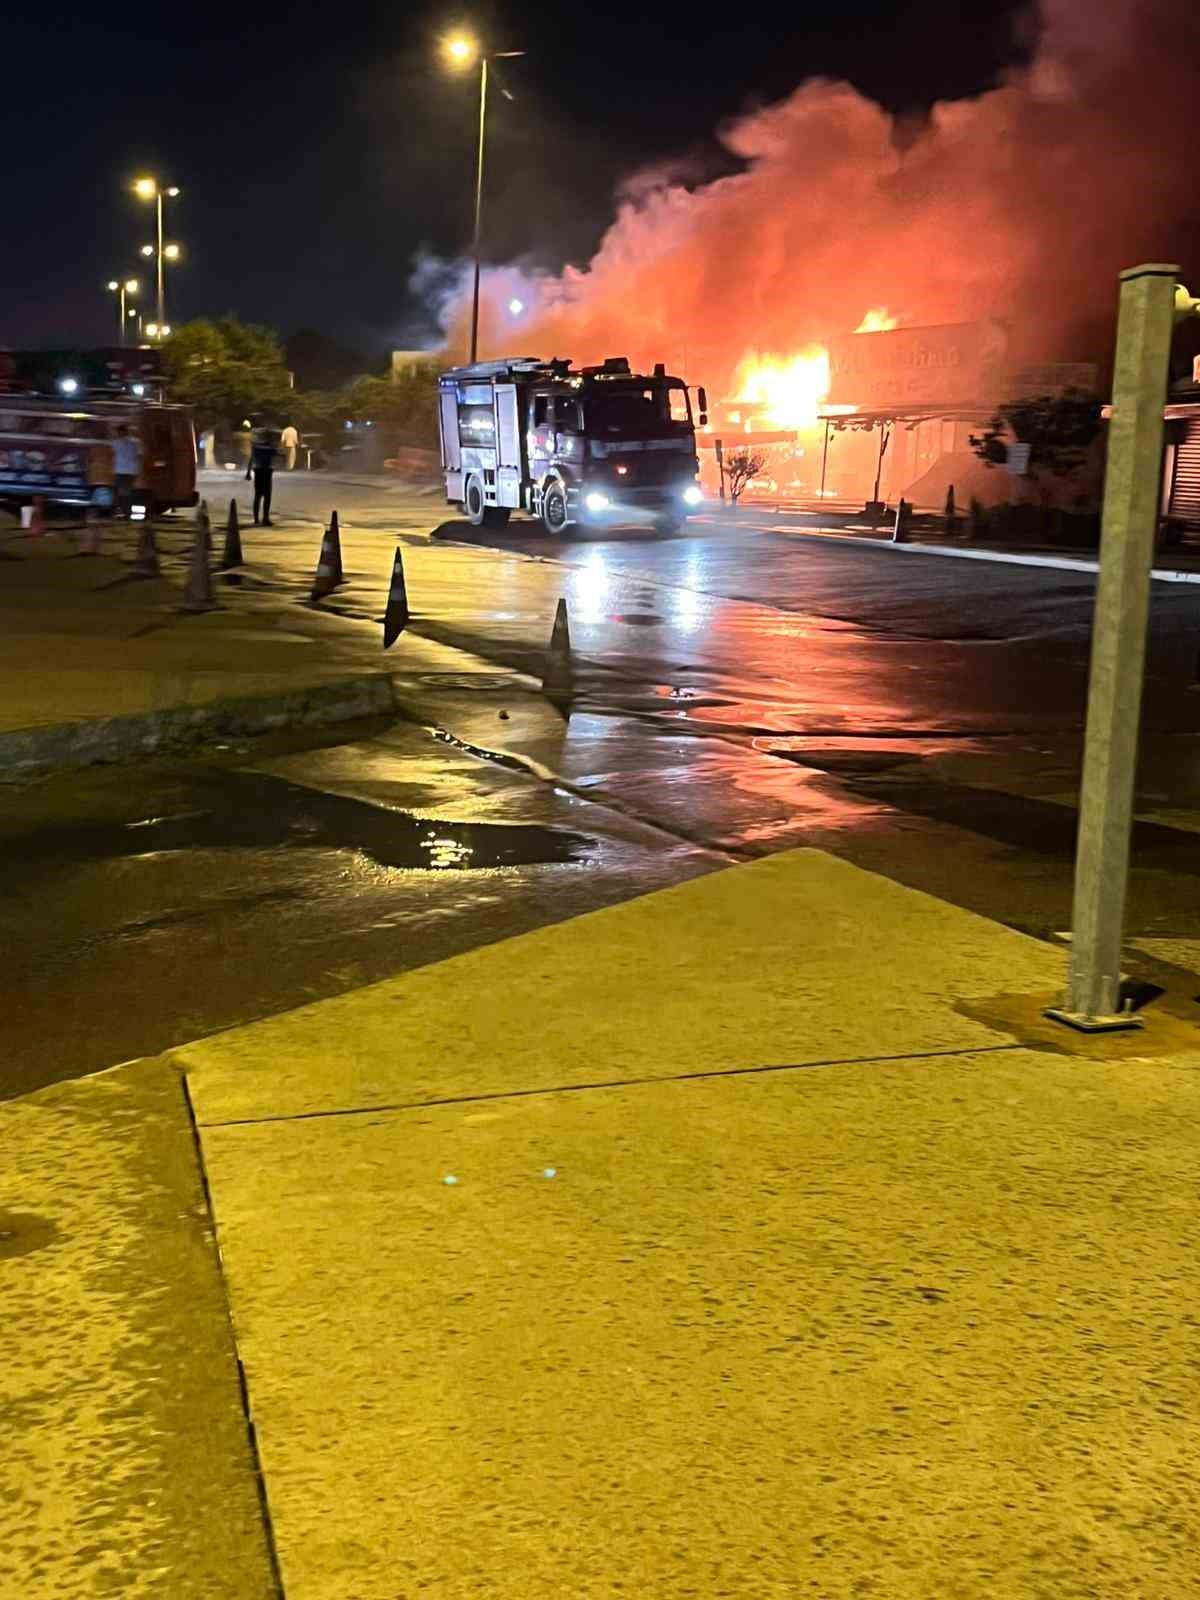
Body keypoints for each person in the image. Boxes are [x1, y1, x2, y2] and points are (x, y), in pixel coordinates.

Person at [246, 424, 279, 526]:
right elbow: (276, 456)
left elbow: (251, 459)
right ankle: (265, 518)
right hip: (267, 472)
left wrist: (248, 473)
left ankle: (256, 519)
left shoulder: (256, 447)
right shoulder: (271, 446)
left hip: (258, 471)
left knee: (258, 496)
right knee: (267, 497)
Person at [111, 423, 143, 520]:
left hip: (119, 470)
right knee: (128, 492)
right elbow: (139, 456)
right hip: (131, 471)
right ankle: (127, 513)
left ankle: (121, 512)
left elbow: (112, 455)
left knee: (120, 493)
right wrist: (138, 470)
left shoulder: (115, 443)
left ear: (120, 432)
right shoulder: (136, 442)